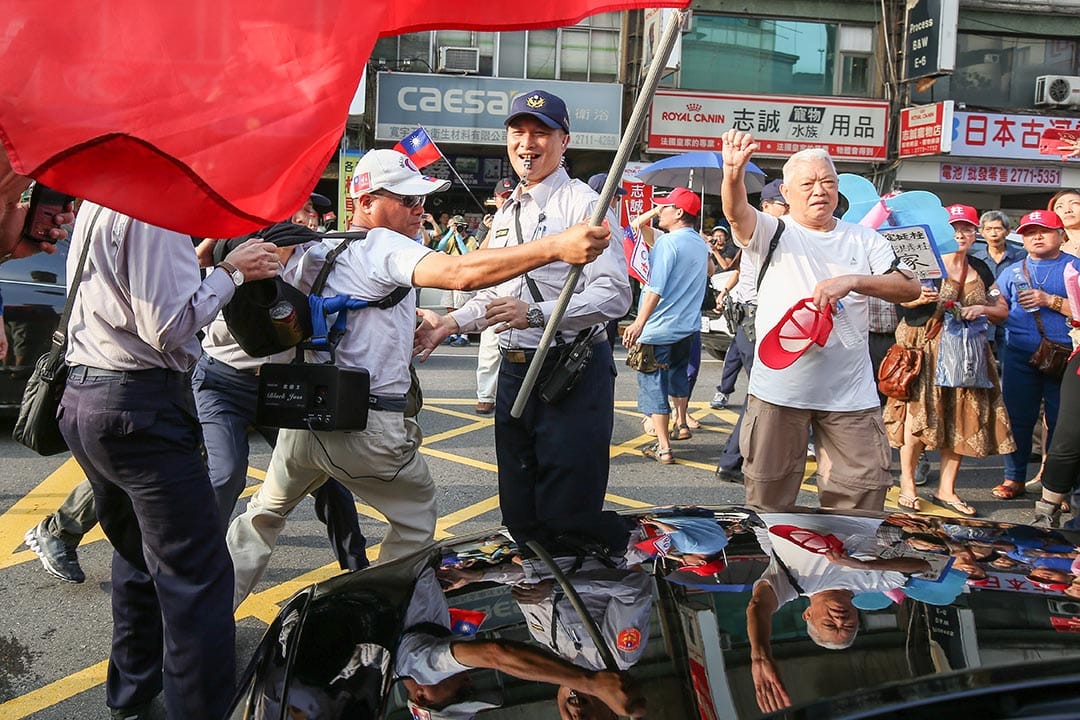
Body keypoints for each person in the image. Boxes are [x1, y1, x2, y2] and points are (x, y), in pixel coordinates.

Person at [227, 148, 611, 606]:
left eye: (421, 199)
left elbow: (335, 314)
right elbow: (460, 273)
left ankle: (204, 613)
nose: (419, 209)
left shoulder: (316, 246)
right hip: (364, 428)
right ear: (366, 202)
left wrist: (430, 322)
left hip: (305, 416)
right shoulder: (384, 245)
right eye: (407, 200)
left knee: (262, 516)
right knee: (416, 517)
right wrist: (555, 246)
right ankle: (382, 613)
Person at [57, 201, 281, 719]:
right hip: (140, 408)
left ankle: (132, 696)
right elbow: (170, 325)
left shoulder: (102, 198)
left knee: (137, 555)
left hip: (89, 399)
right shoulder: (156, 212)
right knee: (198, 579)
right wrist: (231, 272)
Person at [414, 90, 631, 528]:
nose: (527, 144)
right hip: (513, 374)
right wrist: (449, 323)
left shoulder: (584, 205)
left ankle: (568, 594)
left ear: (564, 141)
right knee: (518, 505)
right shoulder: (509, 208)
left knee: (567, 510)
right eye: (518, 133)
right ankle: (531, 593)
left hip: (569, 372)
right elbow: (494, 294)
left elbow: (615, 295)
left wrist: (536, 315)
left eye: (540, 133)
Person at [719, 130, 920, 511]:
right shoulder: (770, 231)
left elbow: (909, 288)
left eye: (827, 182)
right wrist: (733, 175)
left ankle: (845, 571)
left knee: (860, 498)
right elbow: (736, 213)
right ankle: (778, 569)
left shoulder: (864, 239)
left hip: (850, 394)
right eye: (808, 184)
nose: (819, 191)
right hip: (779, 391)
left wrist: (854, 280)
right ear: (788, 193)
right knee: (769, 498)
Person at [883, 204, 1014, 517]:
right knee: (917, 418)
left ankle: (947, 489)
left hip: (967, 356)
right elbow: (898, 300)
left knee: (960, 419)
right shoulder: (922, 265)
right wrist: (916, 298)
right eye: (954, 228)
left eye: (967, 228)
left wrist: (982, 309)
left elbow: (1002, 310)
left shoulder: (981, 268)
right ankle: (908, 486)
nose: (960, 234)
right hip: (923, 352)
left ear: (975, 233)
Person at [398, 568, 645, 719]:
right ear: (613, 713)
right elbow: (636, 588)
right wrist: (556, 586)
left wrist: (483, 575)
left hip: (528, 529)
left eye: (464, 693)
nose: (578, 717)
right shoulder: (617, 655)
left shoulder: (546, 647)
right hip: (574, 524)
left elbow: (531, 578)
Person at [746, 513, 931, 713]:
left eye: (830, 624)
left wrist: (760, 656)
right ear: (858, 618)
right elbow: (922, 566)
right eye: (849, 625)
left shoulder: (790, 586)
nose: (840, 620)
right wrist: (864, 565)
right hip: (859, 509)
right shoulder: (877, 582)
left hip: (787, 511)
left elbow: (758, 606)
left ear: (808, 614)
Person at [994, 210, 1077, 501]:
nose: (1037, 237)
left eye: (1044, 231)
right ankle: (1013, 478)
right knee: (1018, 418)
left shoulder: (1074, 268)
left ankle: (1057, 486)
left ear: (1061, 235)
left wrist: (1050, 301)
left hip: (1066, 356)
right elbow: (997, 301)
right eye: (1030, 232)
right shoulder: (1013, 271)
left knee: (1062, 423)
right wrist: (987, 306)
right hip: (1019, 353)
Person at [621, 187, 708, 465]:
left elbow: (655, 287)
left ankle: (663, 446)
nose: (660, 212)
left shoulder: (668, 244)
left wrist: (638, 323)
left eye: (665, 207)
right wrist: (660, 208)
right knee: (678, 377)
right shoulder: (699, 243)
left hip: (659, 328)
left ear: (679, 213)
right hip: (687, 328)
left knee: (653, 385)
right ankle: (681, 424)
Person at [475, 178, 517, 415]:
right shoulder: (494, 223)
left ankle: (515, 397)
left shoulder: (529, 217)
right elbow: (479, 256)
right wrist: (489, 229)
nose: (507, 199)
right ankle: (486, 396)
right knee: (490, 348)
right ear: (496, 198)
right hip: (494, 293)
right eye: (504, 196)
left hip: (520, 295)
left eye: (511, 194)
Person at [438, 214, 479, 347]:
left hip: (464, 275)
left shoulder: (471, 239)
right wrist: (450, 231)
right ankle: (453, 333)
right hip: (450, 276)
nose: (459, 228)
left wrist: (458, 237)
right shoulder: (450, 238)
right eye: (456, 226)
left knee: (463, 306)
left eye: (460, 226)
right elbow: (440, 246)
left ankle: (464, 335)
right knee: (450, 305)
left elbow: (466, 254)